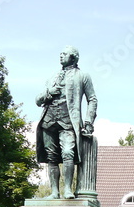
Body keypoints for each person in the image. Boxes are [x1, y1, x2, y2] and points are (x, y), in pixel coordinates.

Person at [36, 46, 98, 199]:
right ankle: (54, 192)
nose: (61, 56)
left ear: (74, 57)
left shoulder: (83, 76)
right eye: (60, 53)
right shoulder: (52, 77)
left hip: (68, 121)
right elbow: (38, 100)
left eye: (64, 54)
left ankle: (67, 190)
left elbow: (92, 99)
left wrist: (89, 121)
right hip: (48, 120)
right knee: (51, 157)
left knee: (68, 153)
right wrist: (49, 93)